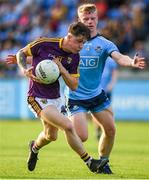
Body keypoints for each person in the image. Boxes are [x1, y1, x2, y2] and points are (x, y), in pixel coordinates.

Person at [11, 22, 108, 173]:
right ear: (69, 37)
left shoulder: (74, 57)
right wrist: (24, 70)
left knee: (51, 135)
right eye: (79, 42)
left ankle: (34, 147)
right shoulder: (44, 43)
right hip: (36, 97)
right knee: (68, 126)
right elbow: (21, 54)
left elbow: (74, 85)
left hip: (56, 98)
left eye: (84, 43)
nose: (81, 46)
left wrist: (62, 69)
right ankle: (90, 163)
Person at [66, 3, 146, 174]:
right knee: (82, 136)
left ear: (97, 19)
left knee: (110, 129)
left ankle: (103, 162)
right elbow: (49, 55)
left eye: (92, 18)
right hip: (75, 96)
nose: (89, 21)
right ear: (79, 20)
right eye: (85, 19)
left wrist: (131, 61)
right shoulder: (70, 42)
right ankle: (63, 124)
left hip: (96, 94)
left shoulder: (104, 43)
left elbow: (119, 57)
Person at [95, 57, 118, 140]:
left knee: (108, 111)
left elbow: (114, 74)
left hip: (106, 90)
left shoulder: (110, 61)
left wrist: (111, 84)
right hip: (96, 90)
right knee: (95, 111)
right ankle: (98, 128)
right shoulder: (96, 57)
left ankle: (105, 128)